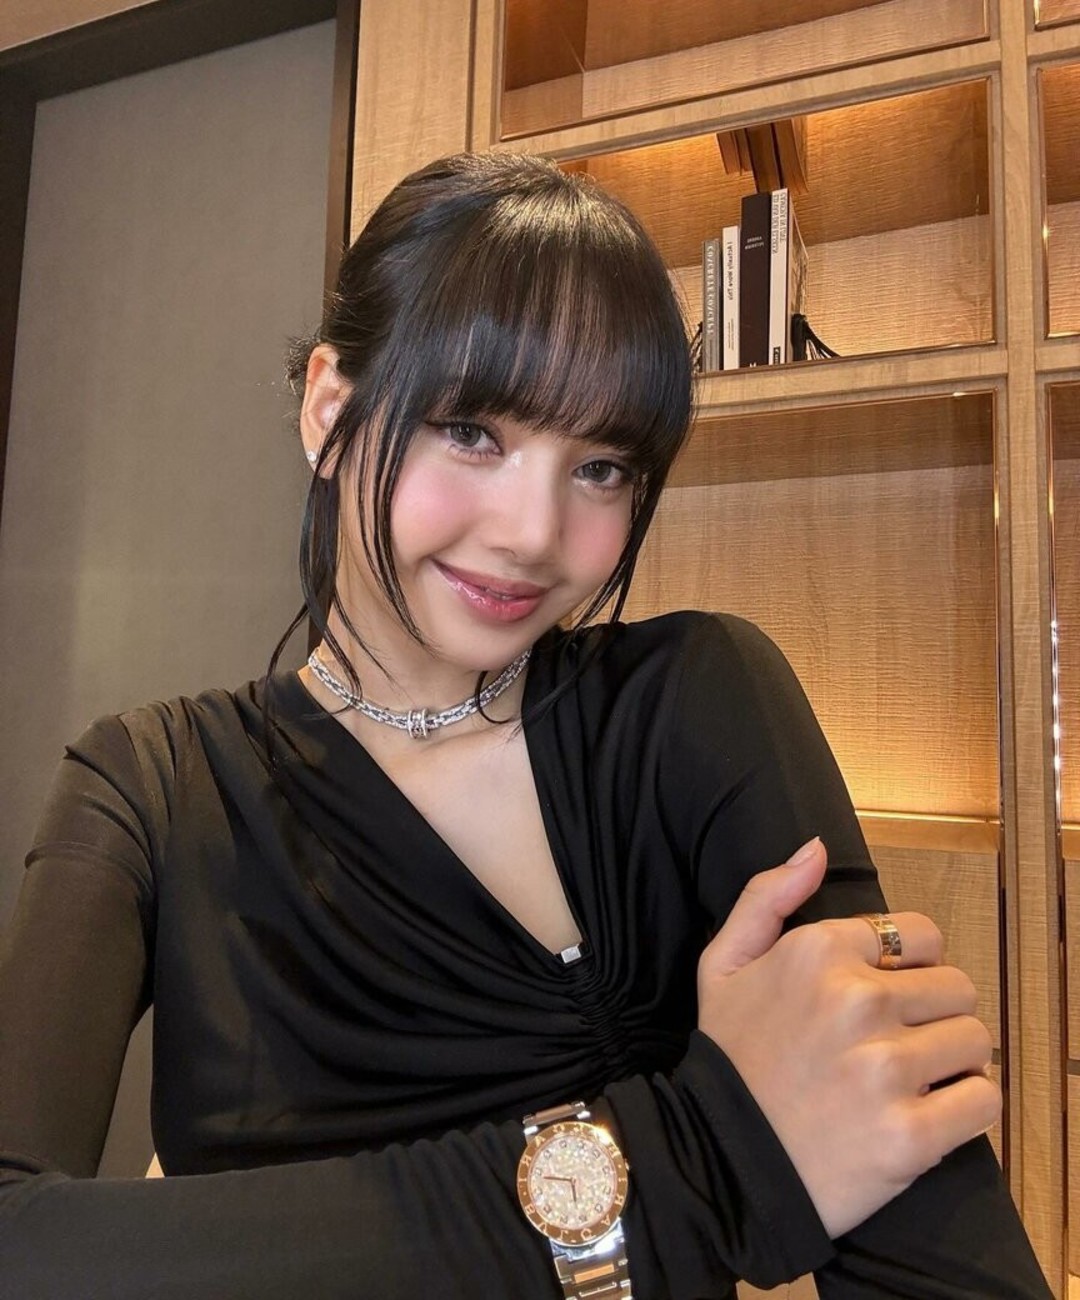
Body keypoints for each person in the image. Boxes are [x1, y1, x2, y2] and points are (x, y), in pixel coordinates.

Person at [0, 151, 1051, 1299]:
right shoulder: (148, 786)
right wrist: (698, 1156)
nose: (535, 534)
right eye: (471, 430)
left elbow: (947, 1263)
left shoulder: (696, 700)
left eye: (600, 466)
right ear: (330, 409)